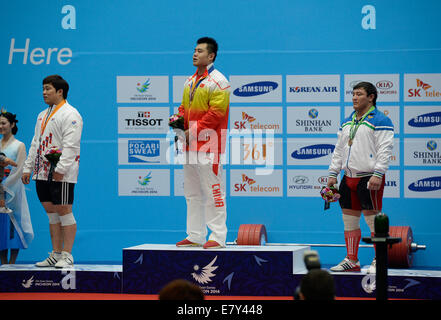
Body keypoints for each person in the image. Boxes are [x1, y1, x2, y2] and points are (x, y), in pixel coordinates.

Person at [327, 82, 394, 273]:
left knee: (372, 220)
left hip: (369, 178)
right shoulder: (347, 121)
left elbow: (385, 150)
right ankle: (352, 260)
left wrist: (378, 173)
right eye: (353, 94)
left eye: (359, 94)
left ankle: (379, 260)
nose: (354, 98)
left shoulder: (381, 120)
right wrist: (333, 173)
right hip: (348, 178)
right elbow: (339, 149)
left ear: (371, 97)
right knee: (349, 220)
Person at [22, 75, 83, 268]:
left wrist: (62, 169)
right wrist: (28, 167)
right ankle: (56, 254)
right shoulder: (42, 115)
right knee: (51, 213)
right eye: (43, 89)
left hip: (61, 173)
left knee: (64, 211)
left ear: (60, 91)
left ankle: (67, 254)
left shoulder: (71, 114)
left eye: (48, 89)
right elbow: (35, 142)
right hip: (41, 172)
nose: (44, 92)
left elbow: (71, 145)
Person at [175, 37, 230, 249]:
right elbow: (183, 108)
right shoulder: (189, 81)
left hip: (210, 146)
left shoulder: (219, 82)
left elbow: (216, 114)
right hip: (190, 146)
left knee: (214, 190)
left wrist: (193, 130)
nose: (194, 54)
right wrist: (178, 124)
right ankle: (196, 234)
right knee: (192, 192)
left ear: (211, 56)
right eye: (194, 50)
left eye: (199, 51)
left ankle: (217, 236)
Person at [0, 111, 34, 264]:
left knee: (13, 225)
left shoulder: (19, 145)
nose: (1, 126)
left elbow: (20, 168)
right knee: (0, 226)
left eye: (4, 123)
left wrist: (4, 186)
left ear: (12, 125)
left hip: (12, 190)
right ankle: (3, 263)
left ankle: (12, 263)